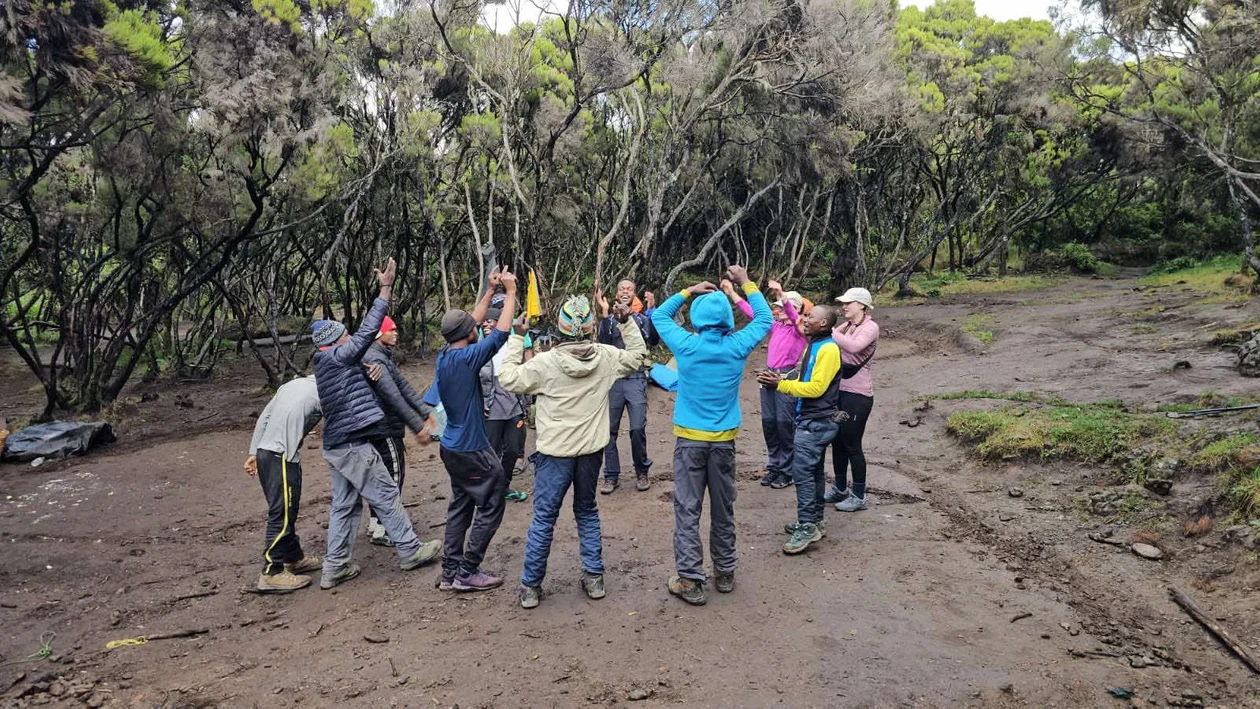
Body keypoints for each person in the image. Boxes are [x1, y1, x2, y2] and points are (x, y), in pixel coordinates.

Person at [498, 295, 647, 609]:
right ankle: (594, 578)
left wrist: (516, 336)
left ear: (560, 330)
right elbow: (637, 357)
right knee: (587, 511)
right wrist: (626, 322)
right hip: (591, 452)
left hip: (554, 454)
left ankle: (530, 587)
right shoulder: (606, 357)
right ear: (592, 328)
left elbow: (508, 378)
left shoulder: (545, 362)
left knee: (543, 519)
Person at [311, 257, 441, 590]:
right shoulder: (336, 355)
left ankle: (334, 567)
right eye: (346, 335)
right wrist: (385, 288)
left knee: (344, 505)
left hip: (336, 446)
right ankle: (410, 550)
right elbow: (369, 331)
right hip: (354, 445)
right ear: (336, 340)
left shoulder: (332, 363)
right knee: (385, 494)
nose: (351, 337)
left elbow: (393, 388)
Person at [651, 266, 772, 606]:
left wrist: (688, 291)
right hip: (723, 443)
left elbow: (659, 315)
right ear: (727, 321)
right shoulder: (737, 346)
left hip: (689, 441)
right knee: (723, 507)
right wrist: (744, 282)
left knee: (687, 509)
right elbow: (764, 319)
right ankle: (725, 571)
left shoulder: (686, 345)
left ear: (696, 318)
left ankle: (690, 579)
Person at [433, 268, 518, 592]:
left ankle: (450, 572)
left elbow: (472, 320)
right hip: (472, 449)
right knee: (493, 499)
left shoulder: (446, 355)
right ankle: (468, 571)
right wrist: (509, 293)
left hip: (451, 447)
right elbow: (501, 334)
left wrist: (489, 289)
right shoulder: (468, 358)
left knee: (460, 505)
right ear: (469, 333)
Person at [757, 305, 843, 555]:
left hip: (817, 421)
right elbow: (806, 380)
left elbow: (816, 388)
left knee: (802, 473)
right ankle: (815, 520)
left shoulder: (828, 349)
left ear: (824, 324)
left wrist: (782, 384)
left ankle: (806, 526)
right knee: (813, 471)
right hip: (810, 419)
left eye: (810, 317)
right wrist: (778, 379)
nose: (805, 320)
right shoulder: (814, 345)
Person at [723, 278, 807, 489]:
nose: (777, 310)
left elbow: (795, 316)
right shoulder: (776, 326)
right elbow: (752, 313)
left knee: (784, 424)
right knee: (769, 423)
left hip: (787, 376)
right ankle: (774, 466)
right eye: (777, 307)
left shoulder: (799, 330)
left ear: (793, 308)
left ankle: (787, 471)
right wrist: (732, 293)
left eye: (780, 308)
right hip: (768, 376)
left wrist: (782, 295)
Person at [243, 376, 324, 593]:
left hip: (265, 453)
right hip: (282, 457)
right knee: (282, 513)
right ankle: (272, 572)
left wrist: (254, 452)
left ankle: (293, 557)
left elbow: (264, 418)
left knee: (288, 510)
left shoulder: (291, 385)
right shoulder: (324, 391)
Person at [362, 315, 434, 546]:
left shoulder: (383, 356)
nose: (396, 332)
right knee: (392, 477)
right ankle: (384, 528)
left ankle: (376, 522)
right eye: (390, 329)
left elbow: (402, 386)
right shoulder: (376, 360)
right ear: (377, 334)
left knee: (382, 476)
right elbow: (393, 396)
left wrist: (424, 412)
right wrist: (417, 427)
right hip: (384, 429)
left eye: (395, 328)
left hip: (384, 426)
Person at [596, 280, 660, 494]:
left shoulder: (641, 319)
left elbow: (653, 341)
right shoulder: (610, 320)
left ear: (634, 295)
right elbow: (602, 343)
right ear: (617, 292)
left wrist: (652, 311)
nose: (625, 291)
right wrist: (605, 314)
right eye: (622, 288)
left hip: (636, 378)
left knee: (636, 428)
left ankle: (642, 470)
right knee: (609, 431)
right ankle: (611, 476)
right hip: (613, 379)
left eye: (630, 289)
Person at [825, 287, 880, 512]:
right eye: (844, 302)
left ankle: (859, 495)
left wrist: (830, 332)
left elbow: (854, 346)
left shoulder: (870, 327)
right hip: (840, 391)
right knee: (836, 441)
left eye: (849, 303)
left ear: (862, 305)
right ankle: (840, 488)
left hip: (858, 395)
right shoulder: (846, 326)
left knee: (852, 444)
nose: (844, 306)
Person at [479, 306, 530, 502]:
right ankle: (488, 491)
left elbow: (523, 371)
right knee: (490, 450)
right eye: (484, 321)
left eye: (490, 321)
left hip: (513, 403)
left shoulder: (512, 343)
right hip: (491, 405)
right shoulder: (479, 346)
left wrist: (526, 402)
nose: (486, 324)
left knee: (512, 448)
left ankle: (504, 486)